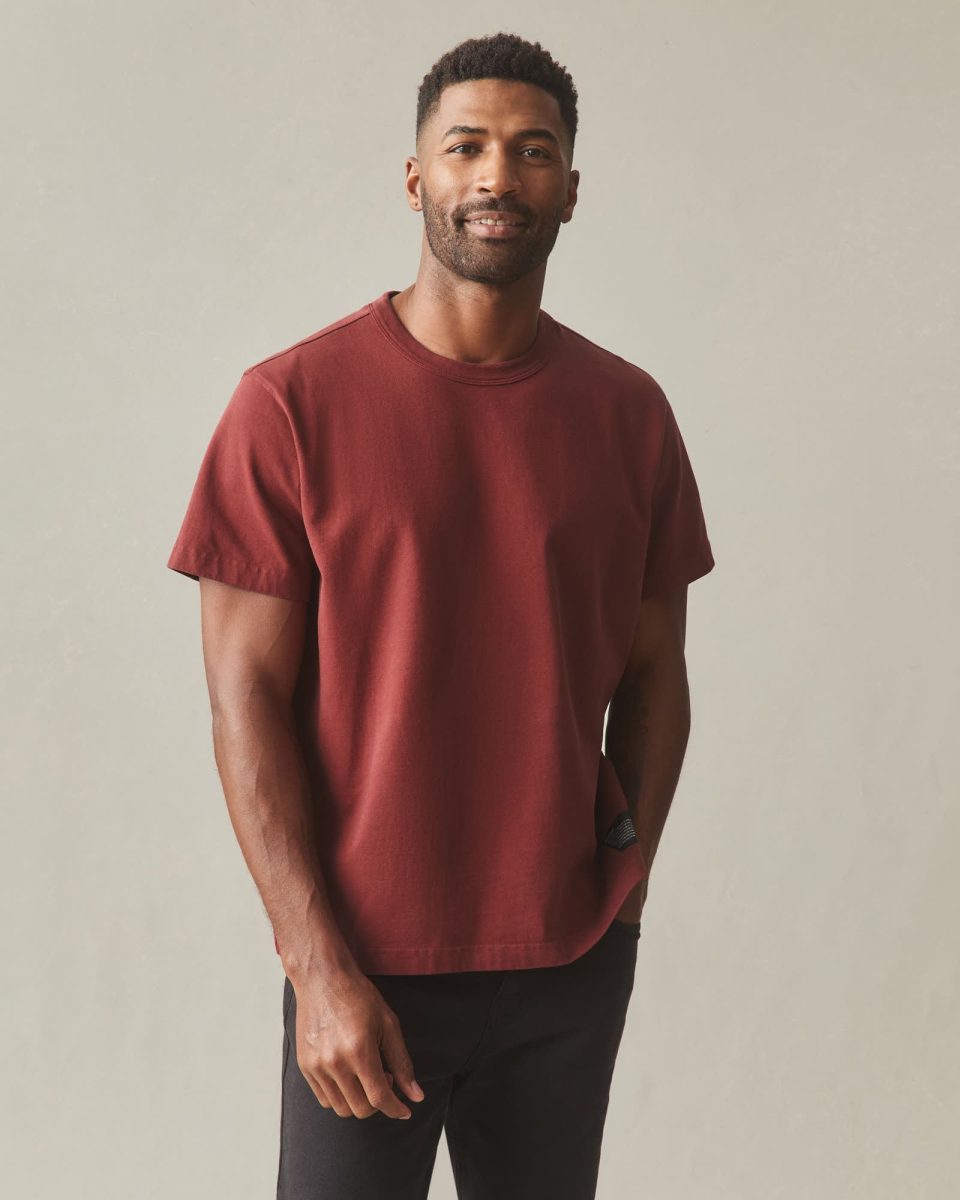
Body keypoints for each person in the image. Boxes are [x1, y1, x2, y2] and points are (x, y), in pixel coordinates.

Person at [166, 31, 716, 1200]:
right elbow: (243, 700)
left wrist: (623, 893)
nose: (497, 175)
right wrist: (316, 969)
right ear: (415, 178)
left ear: (571, 187)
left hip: (566, 961)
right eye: (466, 147)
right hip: (365, 967)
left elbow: (656, 673)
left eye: (532, 151)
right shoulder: (289, 406)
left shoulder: (629, 416)